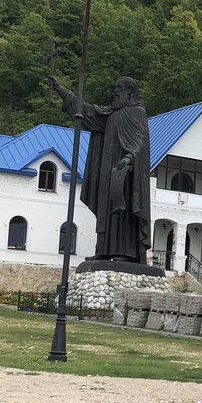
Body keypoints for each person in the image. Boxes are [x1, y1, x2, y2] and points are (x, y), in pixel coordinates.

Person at [50, 76, 152, 264]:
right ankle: (103, 250)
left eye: (119, 88)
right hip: (106, 167)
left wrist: (129, 158)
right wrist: (60, 90)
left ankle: (126, 252)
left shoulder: (137, 112)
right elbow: (86, 112)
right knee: (106, 211)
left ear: (129, 92)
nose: (115, 91)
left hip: (125, 172)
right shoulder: (110, 113)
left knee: (122, 211)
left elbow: (141, 143)